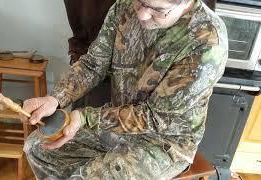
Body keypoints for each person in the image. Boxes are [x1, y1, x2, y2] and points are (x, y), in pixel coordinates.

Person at [22, 0, 228, 179]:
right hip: (115, 124)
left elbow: (156, 117)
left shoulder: (207, 41)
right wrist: (56, 98)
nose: (141, 14)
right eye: (140, 2)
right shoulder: (123, 6)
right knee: (36, 147)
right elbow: (93, 64)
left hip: (163, 142)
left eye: (157, 9)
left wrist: (85, 118)